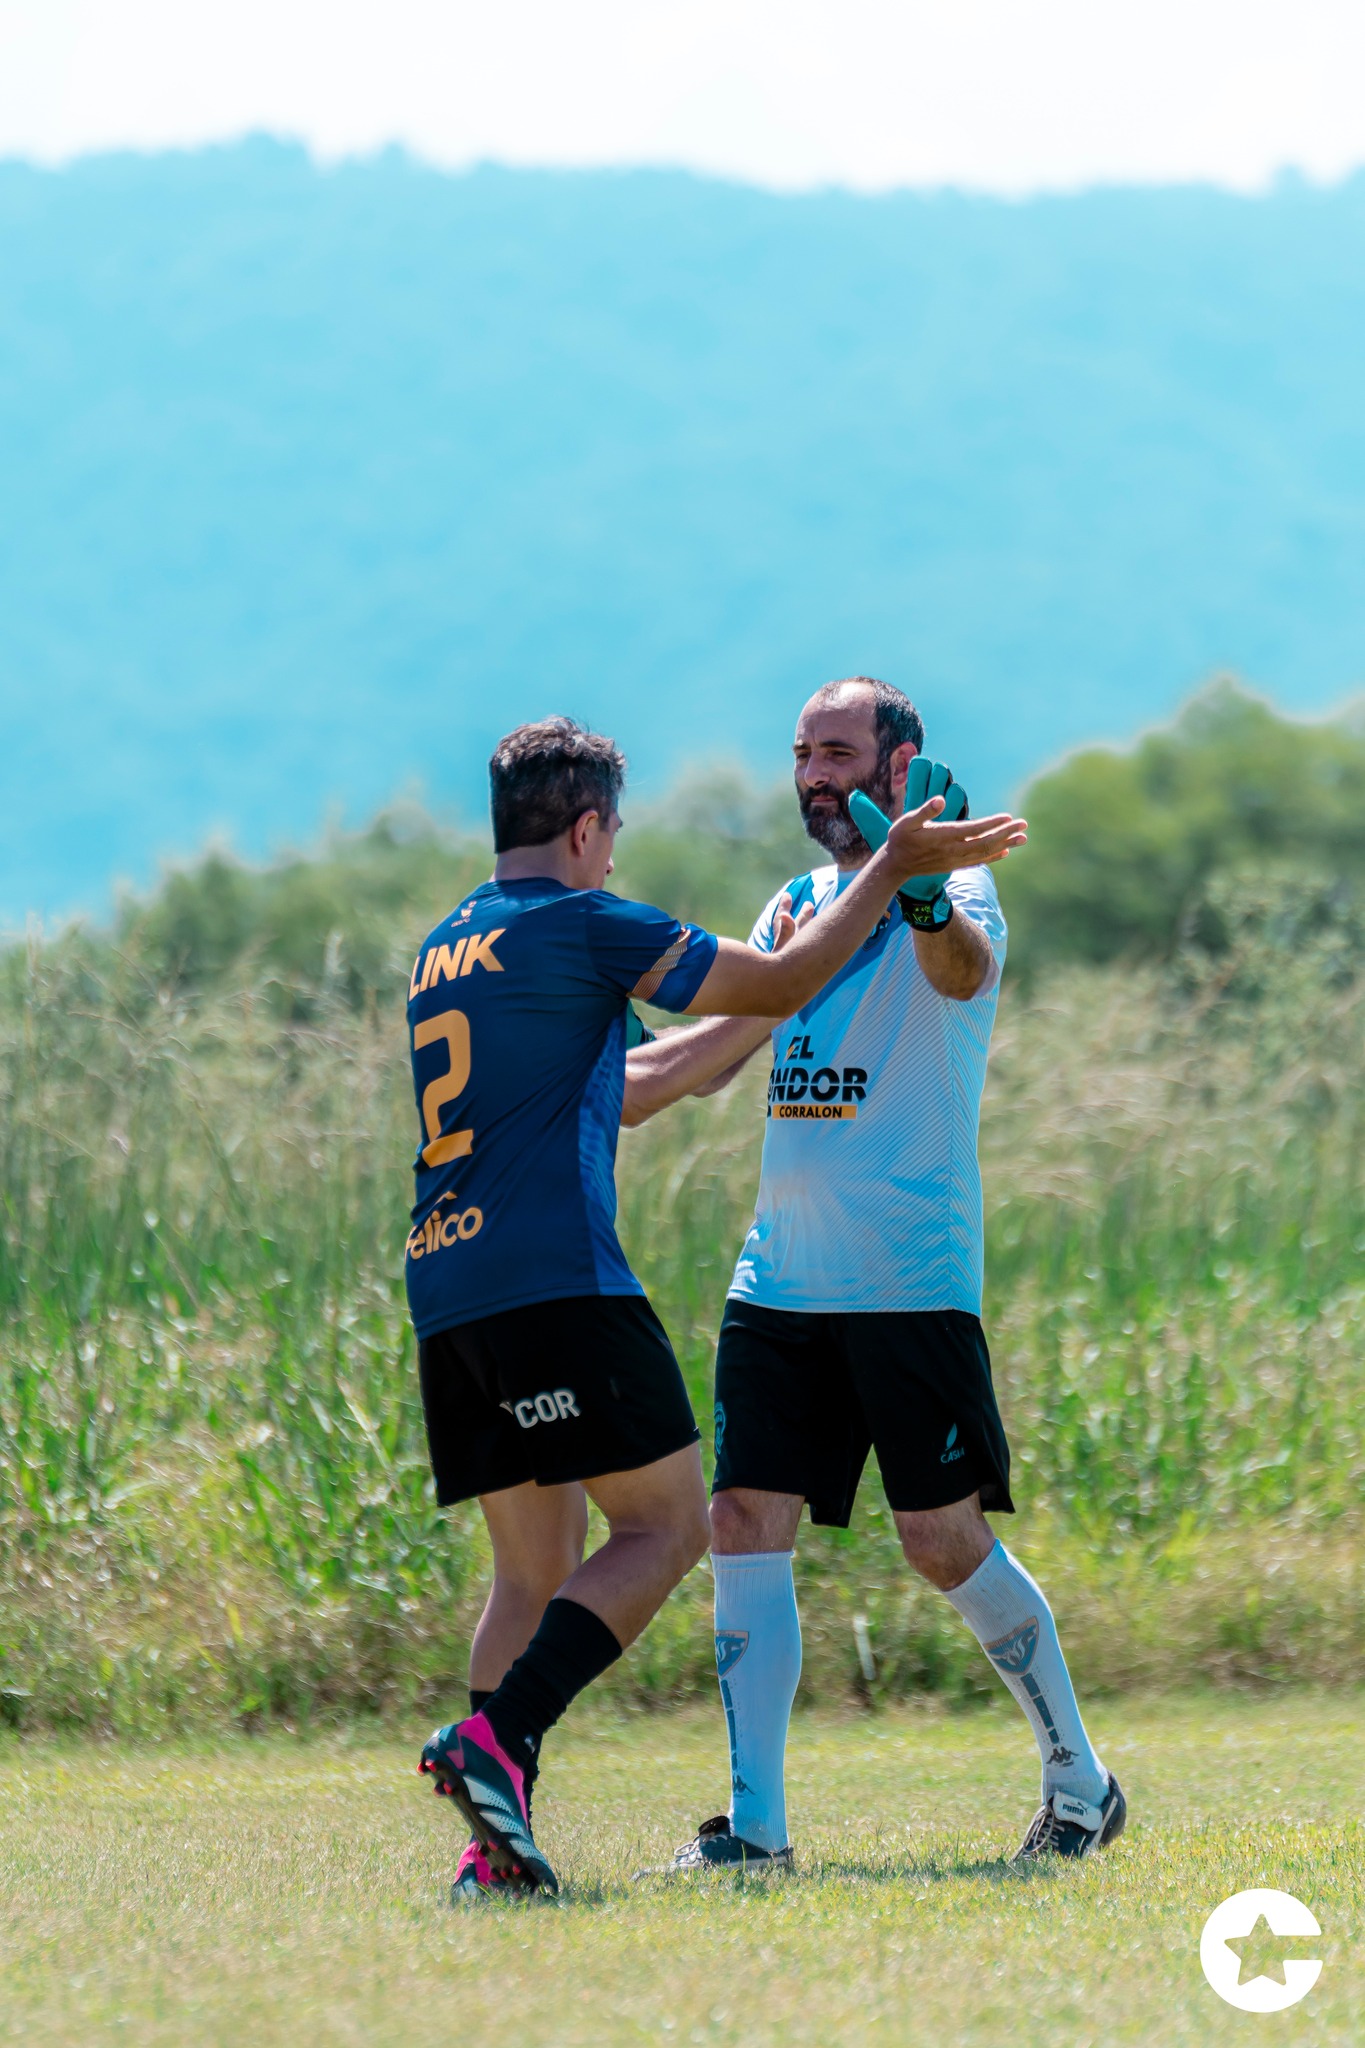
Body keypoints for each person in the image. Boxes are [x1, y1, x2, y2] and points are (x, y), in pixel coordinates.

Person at [407, 712, 1026, 1897]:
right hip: (555, 1280)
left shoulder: (448, 946)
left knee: (529, 1572)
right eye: (613, 835)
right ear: (585, 828)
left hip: (446, 1282)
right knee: (670, 1526)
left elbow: (640, 1082)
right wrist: (896, 868)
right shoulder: (589, 922)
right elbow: (785, 976)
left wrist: (769, 1009)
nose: (614, 855)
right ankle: (501, 1734)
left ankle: (495, 1848)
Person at [623, 676, 1123, 1870]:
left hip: (907, 1276)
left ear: (901, 765)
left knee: (940, 1539)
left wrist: (920, 893)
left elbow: (959, 971)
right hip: (779, 1280)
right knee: (741, 1518)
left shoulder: (959, 883)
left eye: (838, 752)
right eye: (803, 753)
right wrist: (608, 1052)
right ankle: (756, 1829)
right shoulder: (796, 902)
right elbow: (723, 1050)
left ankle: (1081, 1781)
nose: (813, 775)